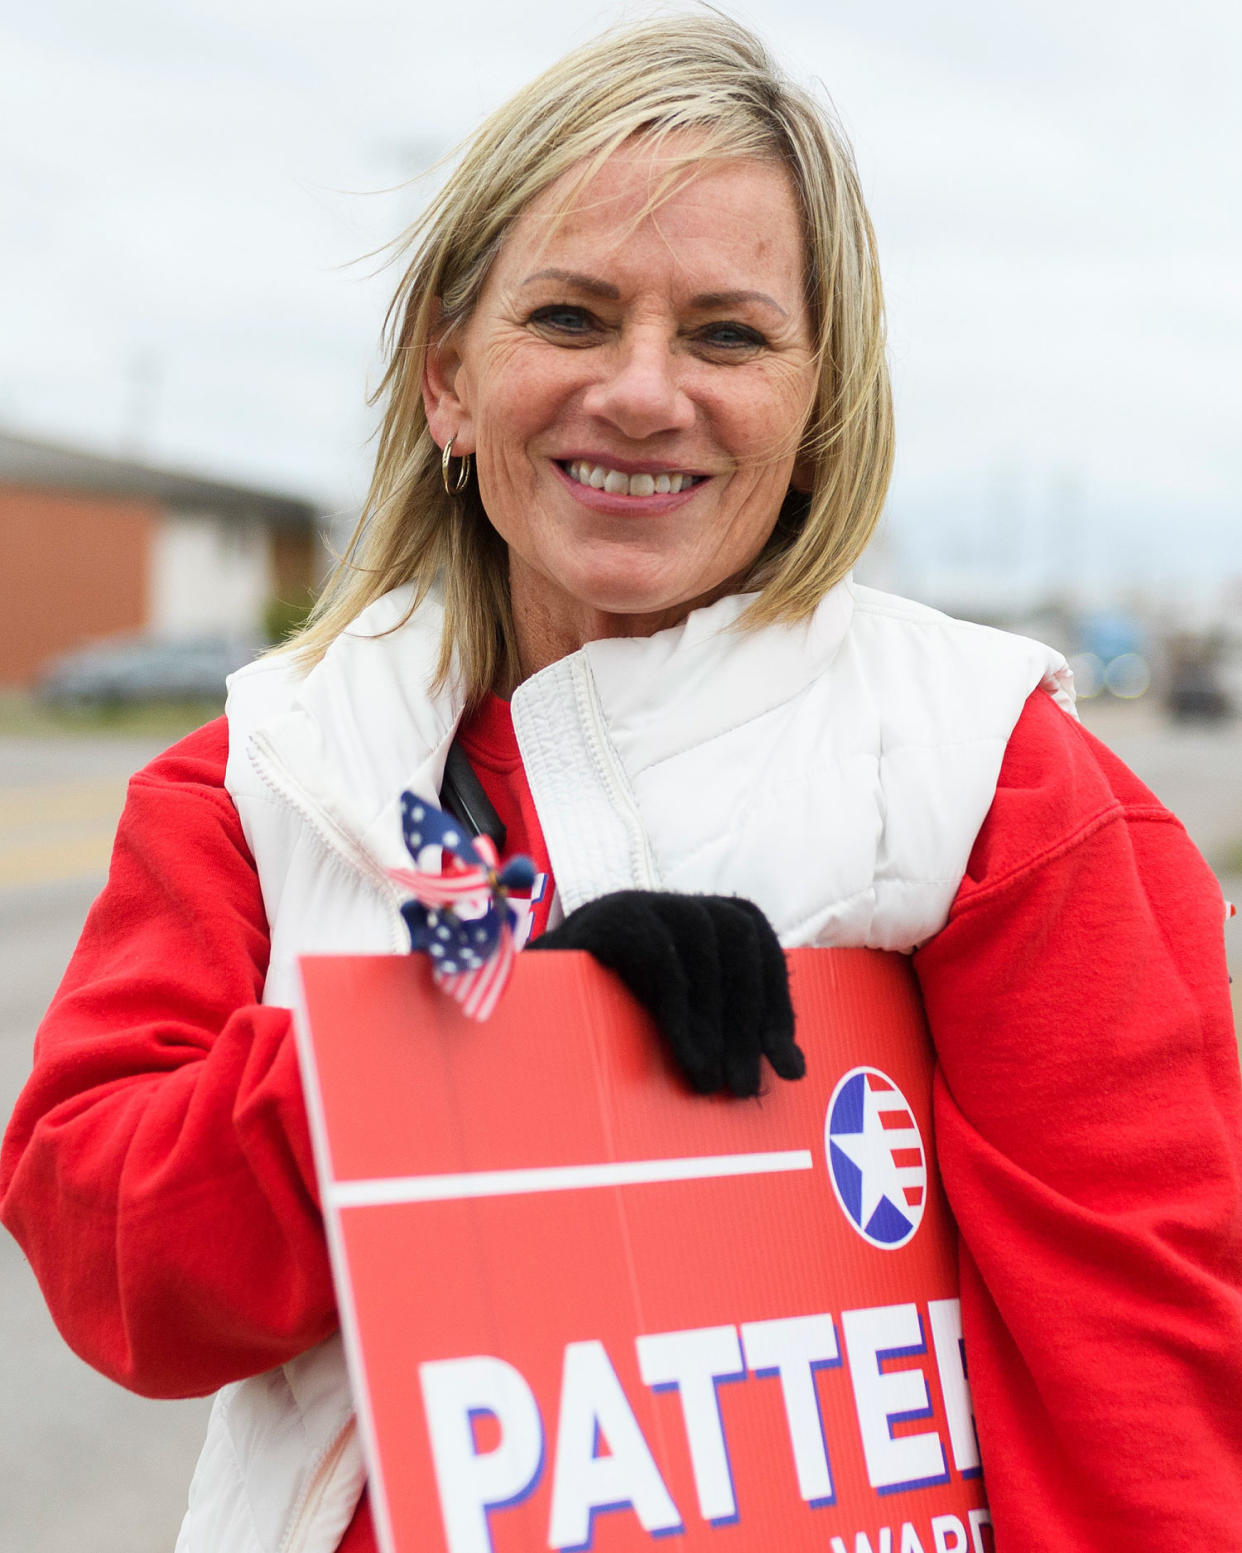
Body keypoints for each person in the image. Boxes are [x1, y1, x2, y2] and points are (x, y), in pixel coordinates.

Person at [3, 14, 1240, 1552]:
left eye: (726, 334)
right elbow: (116, 1276)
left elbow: (1141, 1416)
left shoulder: (993, 783)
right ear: (449, 380)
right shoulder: (265, 778)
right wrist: (447, 1063)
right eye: (573, 317)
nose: (644, 393)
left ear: (815, 404)